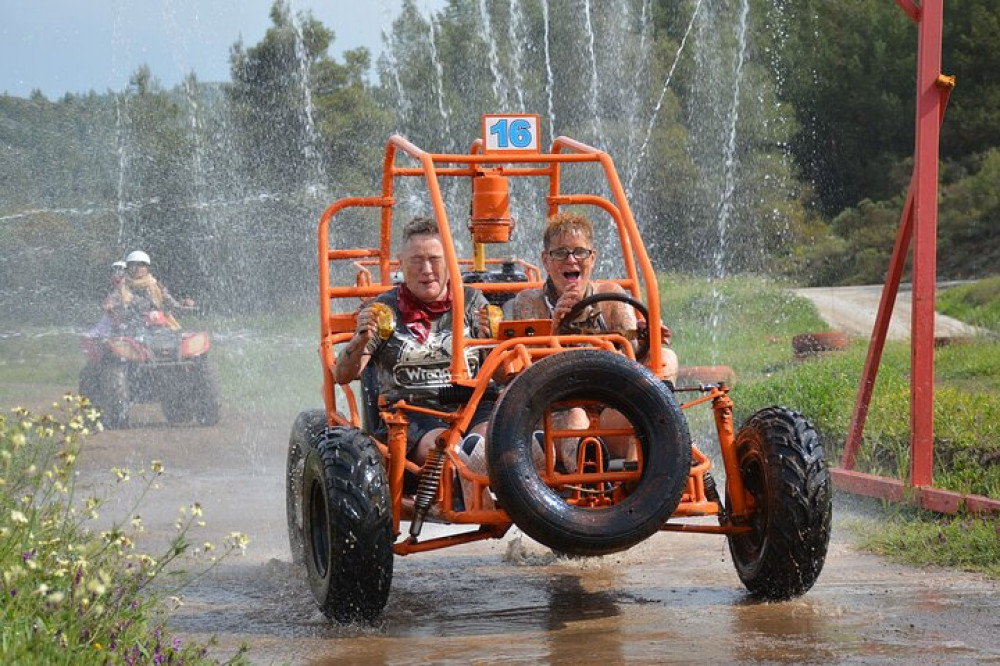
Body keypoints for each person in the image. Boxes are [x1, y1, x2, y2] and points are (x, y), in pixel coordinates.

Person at [505, 211, 679, 472]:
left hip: (609, 401)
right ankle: (590, 486)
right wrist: (556, 327)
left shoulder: (610, 297)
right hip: (557, 408)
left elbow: (631, 357)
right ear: (546, 260)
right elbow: (526, 374)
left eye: (579, 252)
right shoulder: (529, 303)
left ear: (592, 258)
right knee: (575, 418)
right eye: (560, 253)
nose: (571, 259)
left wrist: (648, 336)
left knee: (665, 358)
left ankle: (659, 455)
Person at [334, 217, 494, 470]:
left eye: (434, 259)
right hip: (412, 415)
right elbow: (342, 375)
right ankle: (466, 500)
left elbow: (505, 374)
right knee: (448, 450)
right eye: (417, 261)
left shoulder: (473, 302)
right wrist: (360, 338)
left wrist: (490, 342)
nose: (427, 269)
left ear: (450, 261)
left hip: (472, 408)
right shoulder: (383, 310)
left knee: (492, 444)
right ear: (401, 263)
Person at [109, 250, 194, 328]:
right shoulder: (122, 286)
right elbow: (112, 304)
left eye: (142, 265)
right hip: (129, 326)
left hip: (155, 326)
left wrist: (184, 305)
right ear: (128, 268)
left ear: (147, 268)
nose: (138, 269)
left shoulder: (157, 286)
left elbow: (172, 304)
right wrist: (111, 306)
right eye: (133, 265)